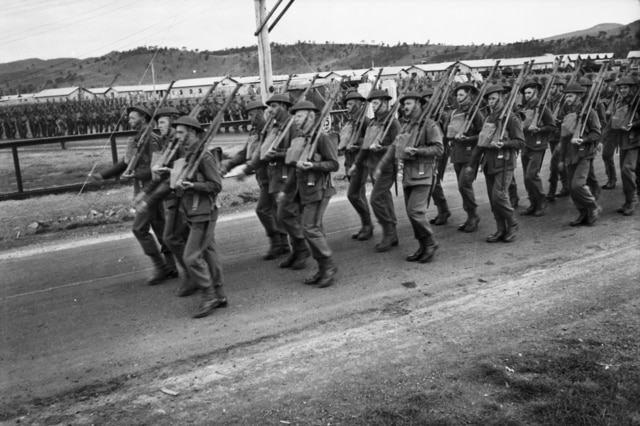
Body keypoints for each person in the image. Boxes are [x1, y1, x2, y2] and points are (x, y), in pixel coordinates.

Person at [92, 104, 178, 284]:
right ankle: (171, 267)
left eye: (133, 117)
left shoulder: (151, 140)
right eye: (129, 118)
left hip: (151, 190)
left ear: (144, 119)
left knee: (139, 229)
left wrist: (135, 174)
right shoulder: (137, 140)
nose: (129, 121)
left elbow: (157, 169)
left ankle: (162, 268)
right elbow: (126, 163)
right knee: (161, 228)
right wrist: (103, 175)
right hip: (143, 189)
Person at [376, 91, 443, 262]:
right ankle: (422, 246)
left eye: (409, 104)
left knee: (415, 212)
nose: (405, 107)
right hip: (408, 174)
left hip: (424, 174)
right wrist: (381, 166)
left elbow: (439, 149)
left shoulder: (429, 125)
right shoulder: (406, 126)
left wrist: (418, 151)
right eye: (404, 104)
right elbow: (393, 148)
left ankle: (431, 243)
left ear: (418, 105)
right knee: (411, 212)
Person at [172, 116, 227, 318]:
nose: (176, 136)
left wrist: (193, 186)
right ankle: (219, 294)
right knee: (210, 254)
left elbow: (216, 186)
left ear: (192, 133)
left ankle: (209, 294)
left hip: (204, 212)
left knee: (190, 256)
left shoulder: (203, 157)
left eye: (180, 132)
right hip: (193, 211)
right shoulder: (189, 154)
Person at [281, 100, 339, 287]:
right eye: (295, 116)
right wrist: (286, 191)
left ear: (310, 116)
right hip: (304, 190)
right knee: (312, 231)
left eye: (299, 116)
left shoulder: (322, 138)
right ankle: (323, 268)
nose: (295, 119)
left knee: (310, 229)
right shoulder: (300, 139)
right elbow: (294, 167)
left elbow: (334, 164)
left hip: (319, 189)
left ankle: (328, 266)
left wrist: (313, 165)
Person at [221, 100, 290, 259]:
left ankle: (279, 243)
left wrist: (247, 169)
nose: (251, 118)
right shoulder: (254, 131)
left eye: (253, 114)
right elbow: (246, 152)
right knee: (273, 210)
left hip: (272, 176)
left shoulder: (269, 130)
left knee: (264, 209)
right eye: (249, 115)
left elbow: (263, 155)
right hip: (262, 176)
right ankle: (283, 244)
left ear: (260, 112)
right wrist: (229, 165)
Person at [138, 106, 193, 296]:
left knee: (175, 237)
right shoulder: (165, 143)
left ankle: (195, 276)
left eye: (162, 122)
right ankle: (194, 274)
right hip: (172, 197)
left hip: (181, 197)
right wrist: (146, 193)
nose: (158, 126)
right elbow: (158, 174)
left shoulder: (179, 145)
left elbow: (177, 174)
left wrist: (149, 197)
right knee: (181, 238)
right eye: (158, 122)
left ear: (172, 122)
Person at [470, 85, 524, 243]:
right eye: (489, 99)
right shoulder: (488, 118)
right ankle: (501, 229)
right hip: (489, 162)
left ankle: (512, 223)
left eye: (494, 98)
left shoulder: (512, 118)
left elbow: (520, 142)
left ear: (502, 98)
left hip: (505, 162)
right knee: (493, 200)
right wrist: (472, 164)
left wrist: (505, 144)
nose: (491, 102)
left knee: (499, 196)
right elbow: (481, 142)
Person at [350, 89, 401, 252]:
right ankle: (392, 233)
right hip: (373, 167)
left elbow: (398, 146)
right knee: (384, 198)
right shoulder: (372, 123)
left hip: (386, 168)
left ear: (386, 103)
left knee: (375, 199)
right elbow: (365, 148)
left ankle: (389, 233)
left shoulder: (393, 123)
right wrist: (356, 165)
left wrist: (382, 148)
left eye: (377, 103)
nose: (374, 106)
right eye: (373, 103)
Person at [263, 93, 308, 270]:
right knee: (282, 216)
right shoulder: (275, 126)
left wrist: (279, 154)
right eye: (270, 106)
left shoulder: (293, 125)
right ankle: (296, 251)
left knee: (287, 214)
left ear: (283, 106)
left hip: (288, 174)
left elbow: (297, 150)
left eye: (274, 106)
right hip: (275, 174)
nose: (270, 110)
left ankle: (302, 249)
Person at [557, 83, 602, 226]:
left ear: (579, 96)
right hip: (570, 154)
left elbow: (596, 133)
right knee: (571, 188)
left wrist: (584, 140)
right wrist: (561, 158)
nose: (567, 99)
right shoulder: (567, 113)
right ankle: (583, 213)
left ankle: (594, 206)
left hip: (584, 154)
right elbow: (563, 138)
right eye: (566, 96)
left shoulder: (590, 112)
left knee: (578, 185)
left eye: (570, 96)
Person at [443, 83, 484, 232]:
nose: (458, 98)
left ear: (470, 96)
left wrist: (467, 139)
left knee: (464, 185)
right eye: (457, 95)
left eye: (461, 95)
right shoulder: (454, 113)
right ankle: (470, 216)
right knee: (463, 188)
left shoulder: (476, 113)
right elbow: (446, 132)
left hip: (470, 155)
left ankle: (473, 216)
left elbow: (483, 134)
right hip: (457, 155)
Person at [518, 79, 556, 217]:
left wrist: (539, 129)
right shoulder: (524, 107)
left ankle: (541, 201)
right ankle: (533, 204)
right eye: (525, 93)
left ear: (536, 92)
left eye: (529, 92)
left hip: (538, 145)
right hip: (525, 145)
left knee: (531, 175)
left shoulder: (543, 108)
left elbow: (552, 126)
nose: (527, 95)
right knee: (526, 178)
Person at [340, 91, 373, 241]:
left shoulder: (366, 122)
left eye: (351, 103)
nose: (348, 106)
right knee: (359, 194)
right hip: (349, 161)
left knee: (353, 195)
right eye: (347, 103)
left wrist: (357, 144)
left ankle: (368, 225)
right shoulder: (349, 122)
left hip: (361, 163)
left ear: (360, 104)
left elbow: (371, 142)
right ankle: (366, 226)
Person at [606, 76, 639, 216]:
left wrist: (635, 124)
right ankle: (627, 200)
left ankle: (632, 200)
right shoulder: (620, 101)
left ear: (631, 88)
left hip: (635, 140)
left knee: (627, 169)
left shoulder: (637, 101)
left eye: (625, 88)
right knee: (624, 172)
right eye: (621, 88)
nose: (623, 90)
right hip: (623, 140)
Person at [546, 77, 569, 201]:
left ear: (559, 87)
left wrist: (559, 120)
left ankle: (551, 191)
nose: (550, 90)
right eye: (549, 87)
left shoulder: (565, 101)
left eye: (553, 87)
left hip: (562, 136)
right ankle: (566, 187)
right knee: (560, 163)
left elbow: (571, 118)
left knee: (554, 163)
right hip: (552, 136)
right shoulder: (548, 101)